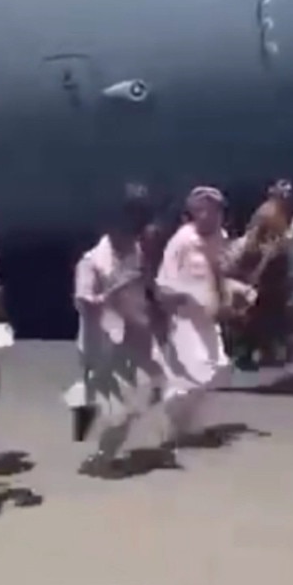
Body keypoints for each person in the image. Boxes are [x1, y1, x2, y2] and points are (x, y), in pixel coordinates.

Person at [74, 193, 172, 477]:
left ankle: (109, 438)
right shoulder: (92, 262)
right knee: (119, 409)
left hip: (138, 336)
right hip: (104, 344)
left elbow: (147, 287)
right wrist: (110, 295)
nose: (132, 233)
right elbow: (83, 303)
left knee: (158, 387)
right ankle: (102, 457)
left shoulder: (137, 252)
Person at [156, 186, 234, 445]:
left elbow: (220, 271)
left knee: (220, 368)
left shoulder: (219, 238)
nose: (210, 216)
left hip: (209, 319)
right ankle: (175, 421)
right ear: (194, 212)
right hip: (185, 319)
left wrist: (227, 298)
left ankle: (186, 425)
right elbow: (163, 282)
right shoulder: (182, 240)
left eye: (215, 211)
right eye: (204, 210)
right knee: (195, 371)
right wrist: (174, 304)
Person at [237, 179, 293, 365]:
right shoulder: (268, 212)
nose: (287, 195)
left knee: (269, 312)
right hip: (268, 270)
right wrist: (257, 270)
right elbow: (256, 242)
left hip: (275, 270)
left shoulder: (278, 212)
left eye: (289, 191)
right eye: (283, 191)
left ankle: (264, 351)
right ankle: (250, 352)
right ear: (273, 191)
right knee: (263, 311)